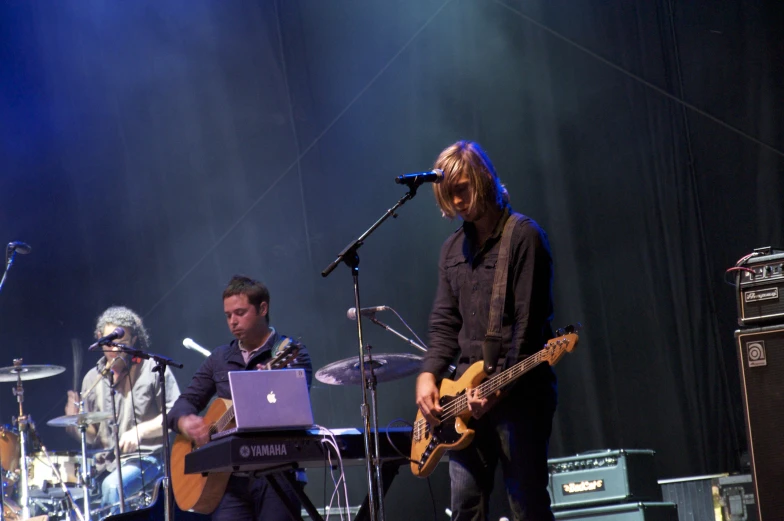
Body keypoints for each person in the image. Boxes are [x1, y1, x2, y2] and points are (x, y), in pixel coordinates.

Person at [415, 141, 557, 521]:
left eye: (462, 189)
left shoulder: (524, 237)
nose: (457, 201)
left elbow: (528, 326)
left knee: (525, 504)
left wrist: (497, 389)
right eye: (449, 194)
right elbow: (445, 322)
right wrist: (429, 374)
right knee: (465, 508)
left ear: (484, 178)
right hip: (463, 397)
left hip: (519, 395)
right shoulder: (451, 251)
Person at [168, 275, 313, 521]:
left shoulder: (290, 353)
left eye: (240, 313)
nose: (233, 322)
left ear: (263, 308)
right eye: (228, 316)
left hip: (277, 474)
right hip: (228, 481)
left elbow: (294, 410)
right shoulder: (220, 358)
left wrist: (266, 387)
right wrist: (185, 422)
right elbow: (182, 405)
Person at [65, 305, 181, 516]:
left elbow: (175, 414)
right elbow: (91, 436)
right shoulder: (92, 378)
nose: (116, 349)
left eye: (123, 343)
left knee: (112, 487)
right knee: (72, 497)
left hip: (148, 459)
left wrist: (141, 431)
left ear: (134, 340)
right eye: (111, 343)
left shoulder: (152, 368)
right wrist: (74, 421)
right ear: (100, 338)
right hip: (105, 465)